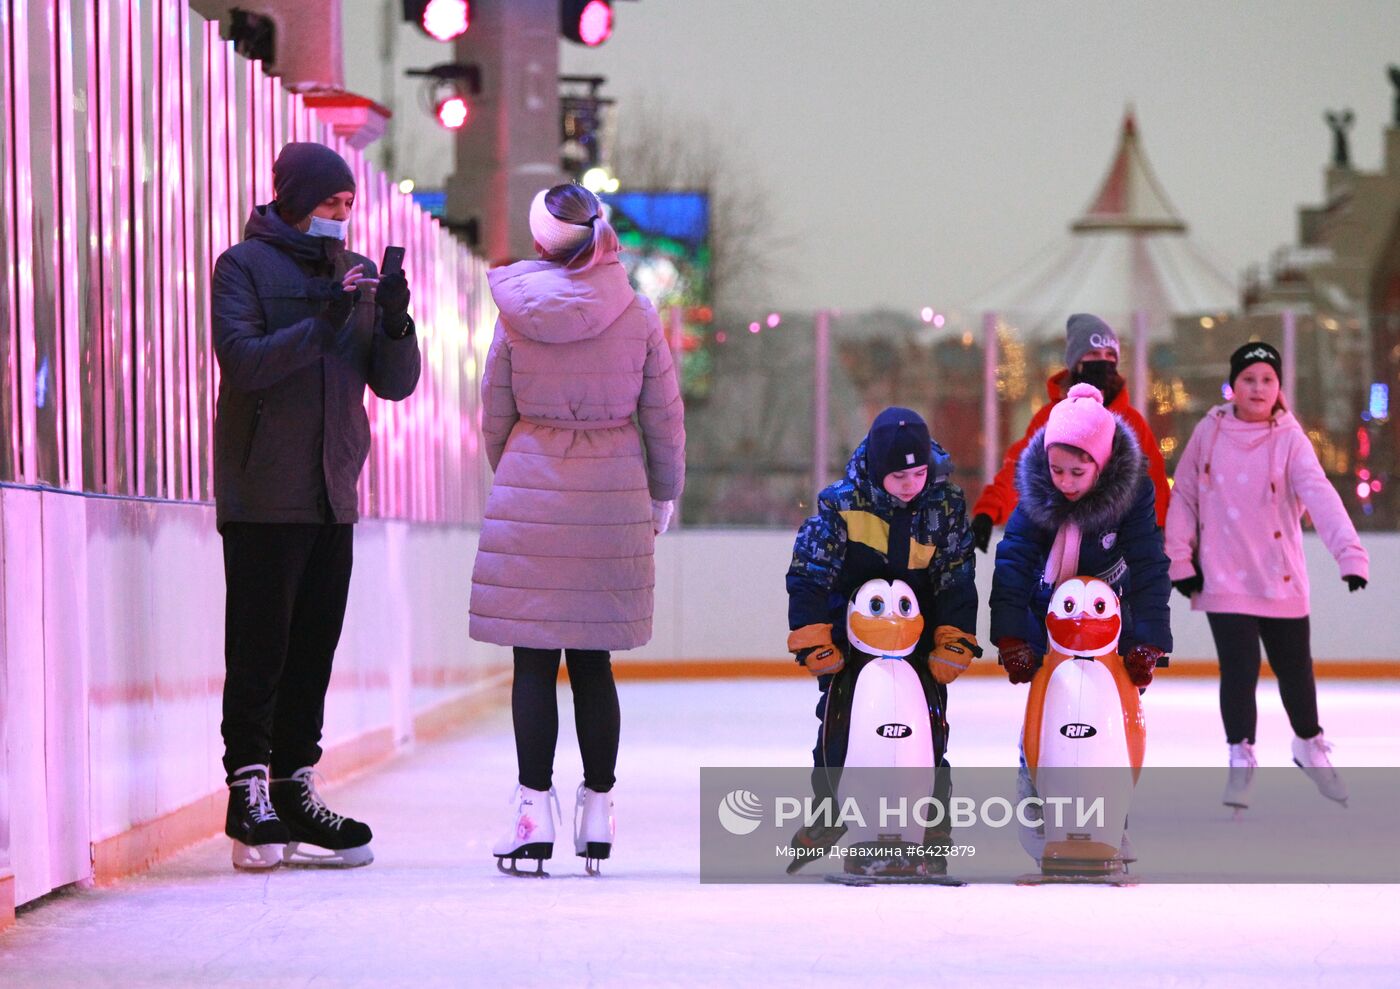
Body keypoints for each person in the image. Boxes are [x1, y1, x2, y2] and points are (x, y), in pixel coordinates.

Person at [212, 141, 421, 870]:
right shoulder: (242, 267)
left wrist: (393, 320)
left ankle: (296, 785)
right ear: (296, 200)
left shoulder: (353, 272)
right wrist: (320, 325)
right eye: (331, 204)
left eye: (348, 206)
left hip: (333, 491)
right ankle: (248, 793)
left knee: (312, 653)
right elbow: (243, 360)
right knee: (261, 650)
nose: (342, 217)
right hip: (265, 493)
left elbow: (393, 385)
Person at [470, 182, 685, 876]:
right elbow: (664, 416)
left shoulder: (515, 312)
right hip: (613, 488)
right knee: (593, 659)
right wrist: (662, 493)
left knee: (533, 659)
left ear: (539, 241)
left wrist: (522, 470)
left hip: (532, 481)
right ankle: (598, 811)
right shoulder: (638, 311)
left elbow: (494, 411)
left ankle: (533, 813)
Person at [1164, 342, 1368, 809]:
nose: (1257, 388)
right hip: (1222, 576)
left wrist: (1350, 555)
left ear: (1279, 388)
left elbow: (1320, 496)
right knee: (1239, 670)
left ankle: (1308, 744)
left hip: (1280, 576)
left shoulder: (1290, 437)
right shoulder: (1209, 432)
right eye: (1248, 379)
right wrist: (1181, 559)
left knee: (1295, 670)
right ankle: (1241, 755)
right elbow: (1186, 498)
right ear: (1233, 384)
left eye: (1267, 380)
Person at [785, 408, 979, 873]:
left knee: (930, 732)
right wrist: (815, 640)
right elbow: (809, 575)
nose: (911, 483)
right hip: (849, 642)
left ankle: (933, 827)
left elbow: (957, 577)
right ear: (876, 469)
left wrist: (953, 639)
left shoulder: (945, 505)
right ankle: (831, 812)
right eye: (898, 475)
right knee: (838, 728)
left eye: (918, 473)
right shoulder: (840, 504)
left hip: (918, 639)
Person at [990, 382, 1172, 687]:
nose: (1065, 483)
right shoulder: (1038, 493)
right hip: (1049, 613)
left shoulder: (1133, 495)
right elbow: (1015, 561)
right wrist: (1012, 636)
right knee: (1051, 697)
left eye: (1077, 473)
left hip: (1114, 614)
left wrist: (1147, 642)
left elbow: (1148, 565)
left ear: (1101, 465)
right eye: (1056, 470)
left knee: (1115, 694)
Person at [970, 313, 1170, 553]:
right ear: (1076, 362)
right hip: (1059, 540)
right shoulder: (1052, 417)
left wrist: (1158, 529)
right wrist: (988, 511)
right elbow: (1021, 469)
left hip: (1116, 545)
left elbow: (1154, 480)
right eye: (1094, 355)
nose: (1103, 362)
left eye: (1110, 356)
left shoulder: (1130, 422)